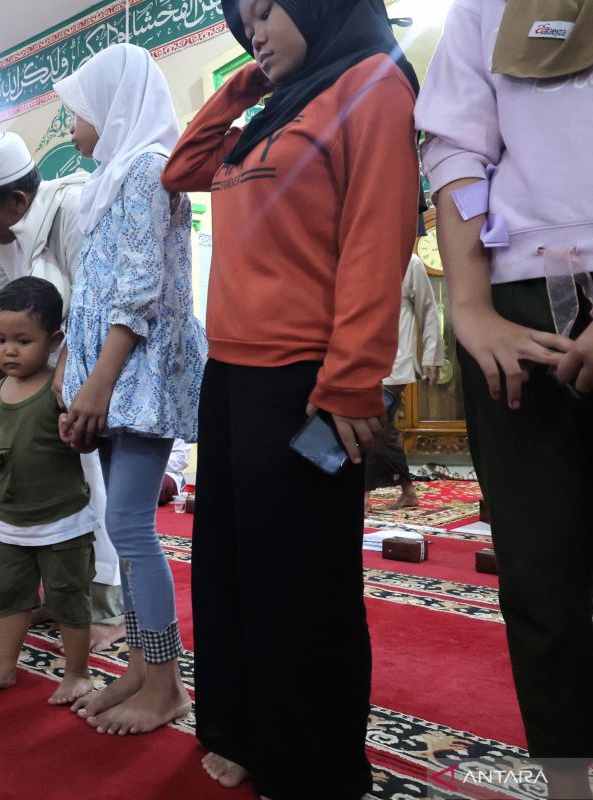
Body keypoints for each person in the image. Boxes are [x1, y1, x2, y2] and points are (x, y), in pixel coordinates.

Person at [162, 0, 419, 795]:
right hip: (230, 378)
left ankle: (315, 763)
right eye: (244, 21)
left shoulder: (372, 83)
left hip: (307, 382)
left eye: (268, 10)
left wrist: (351, 381)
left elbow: (381, 235)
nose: (257, 30)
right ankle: (241, 727)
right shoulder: (272, 111)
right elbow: (182, 170)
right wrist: (242, 84)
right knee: (233, 568)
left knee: (304, 585)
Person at [416, 2, 593, 795]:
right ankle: (567, 782)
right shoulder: (485, 8)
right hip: (515, 307)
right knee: (539, 570)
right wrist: (469, 305)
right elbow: (455, 145)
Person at [51, 42, 206, 737]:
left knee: (133, 529)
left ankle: (168, 683)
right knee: (125, 523)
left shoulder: (147, 171)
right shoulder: (114, 177)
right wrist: (72, 373)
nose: (71, 128)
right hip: (113, 378)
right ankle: (143, 669)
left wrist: (98, 385)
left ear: (114, 108)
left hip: (136, 376)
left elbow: (137, 293)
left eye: (76, 114)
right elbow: (94, 290)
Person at [0, 131, 127, 653]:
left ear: (18, 201)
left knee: (86, 485)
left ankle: (105, 609)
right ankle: (60, 597)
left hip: (87, 370)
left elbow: (100, 296)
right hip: (37, 378)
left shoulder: (71, 210)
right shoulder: (1, 237)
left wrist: (68, 367)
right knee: (41, 484)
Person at [0, 277, 97, 705]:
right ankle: (4, 667)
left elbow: (89, 440)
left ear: (53, 340)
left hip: (64, 524)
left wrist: (76, 431)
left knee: (68, 598)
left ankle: (76, 673)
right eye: (1, 340)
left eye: (23, 340)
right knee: (12, 599)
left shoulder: (61, 390)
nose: (10, 351)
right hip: (13, 526)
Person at [366, 254, 444, 510]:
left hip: (394, 362)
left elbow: (428, 310)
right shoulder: (355, 254)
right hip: (361, 361)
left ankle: (364, 495)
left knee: (375, 426)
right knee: (383, 430)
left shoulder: (409, 262)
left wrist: (432, 356)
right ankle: (407, 490)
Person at [158, 440, 190, 507]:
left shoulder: (180, 429)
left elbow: (180, 460)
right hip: (133, 468)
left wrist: (146, 463)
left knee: (157, 487)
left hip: (166, 471)